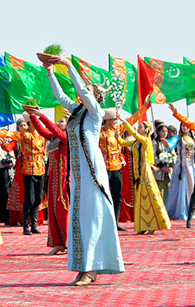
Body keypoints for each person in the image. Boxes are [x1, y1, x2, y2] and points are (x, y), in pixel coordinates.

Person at [45, 55, 124, 286]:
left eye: (87, 90)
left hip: (92, 170)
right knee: (80, 217)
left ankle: (91, 268)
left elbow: (85, 93)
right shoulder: (78, 112)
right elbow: (60, 96)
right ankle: (85, 267)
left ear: (95, 97)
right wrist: (50, 72)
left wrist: (68, 66)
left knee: (92, 216)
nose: (82, 92)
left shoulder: (95, 114)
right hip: (78, 173)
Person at [0, 114, 47, 235]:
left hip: (40, 168)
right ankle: (26, 226)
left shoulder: (43, 133)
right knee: (28, 198)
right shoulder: (22, 134)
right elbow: (6, 135)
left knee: (38, 198)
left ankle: (34, 225)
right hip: (27, 168)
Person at [118, 114, 172, 235]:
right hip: (137, 174)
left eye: (140, 127)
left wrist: (124, 121)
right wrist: (116, 135)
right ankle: (142, 226)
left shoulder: (146, 140)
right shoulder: (136, 142)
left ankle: (155, 223)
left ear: (146, 130)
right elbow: (122, 143)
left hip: (145, 172)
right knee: (140, 200)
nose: (138, 128)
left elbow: (136, 135)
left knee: (150, 197)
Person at [28, 107, 70, 254]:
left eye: (62, 121)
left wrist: (42, 116)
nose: (58, 123)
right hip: (52, 180)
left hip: (63, 180)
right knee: (52, 211)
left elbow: (54, 129)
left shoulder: (67, 137)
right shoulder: (54, 138)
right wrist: (33, 117)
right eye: (58, 121)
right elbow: (42, 131)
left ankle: (67, 243)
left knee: (62, 211)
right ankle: (58, 243)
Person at [165, 123, 195, 221]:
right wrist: (166, 144)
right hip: (181, 166)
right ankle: (182, 211)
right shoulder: (178, 138)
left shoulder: (194, 138)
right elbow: (170, 146)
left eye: (186, 126)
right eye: (183, 126)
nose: (185, 128)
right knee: (181, 188)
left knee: (193, 187)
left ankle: (194, 210)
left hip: (192, 166)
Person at [152, 124, 173, 202]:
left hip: (168, 173)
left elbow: (173, 155)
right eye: (163, 131)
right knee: (160, 192)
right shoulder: (155, 142)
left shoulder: (169, 142)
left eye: (166, 131)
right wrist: (162, 166)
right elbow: (154, 156)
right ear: (158, 132)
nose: (165, 133)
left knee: (169, 193)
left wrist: (170, 166)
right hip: (159, 172)